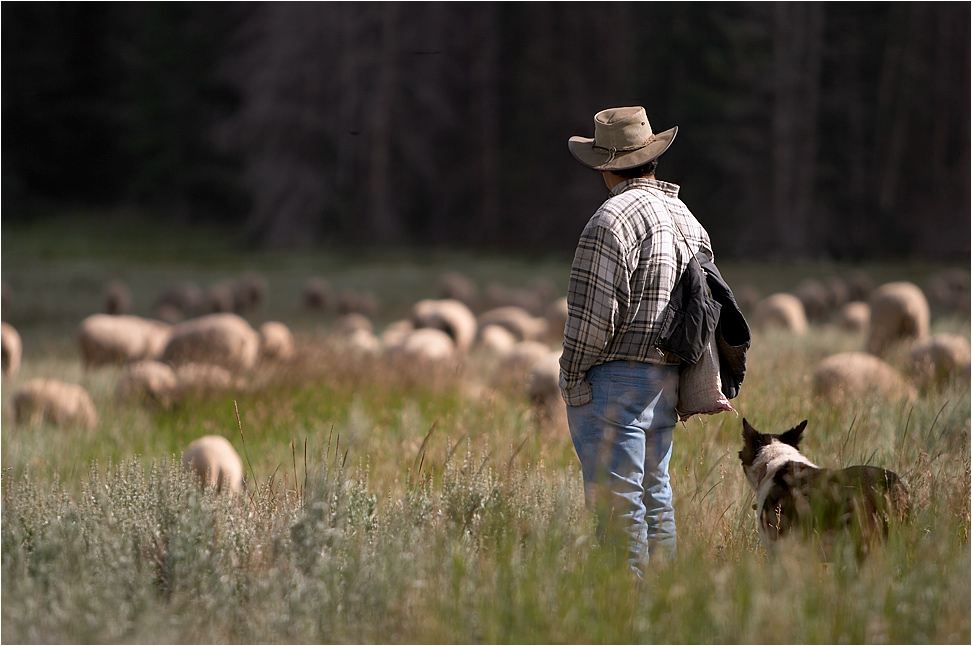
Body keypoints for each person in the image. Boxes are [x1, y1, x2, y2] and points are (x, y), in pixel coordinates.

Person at [559, 106, 713, 576]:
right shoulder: (687, 219)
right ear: (650, 157)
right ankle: (664, 607)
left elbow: (592, 318)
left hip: (613, 383)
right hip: (665, 379)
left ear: (605, 167)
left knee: (618, 512)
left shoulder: (610, 220)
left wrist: (571, 376)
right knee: (655, 496)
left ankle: (626, 616)